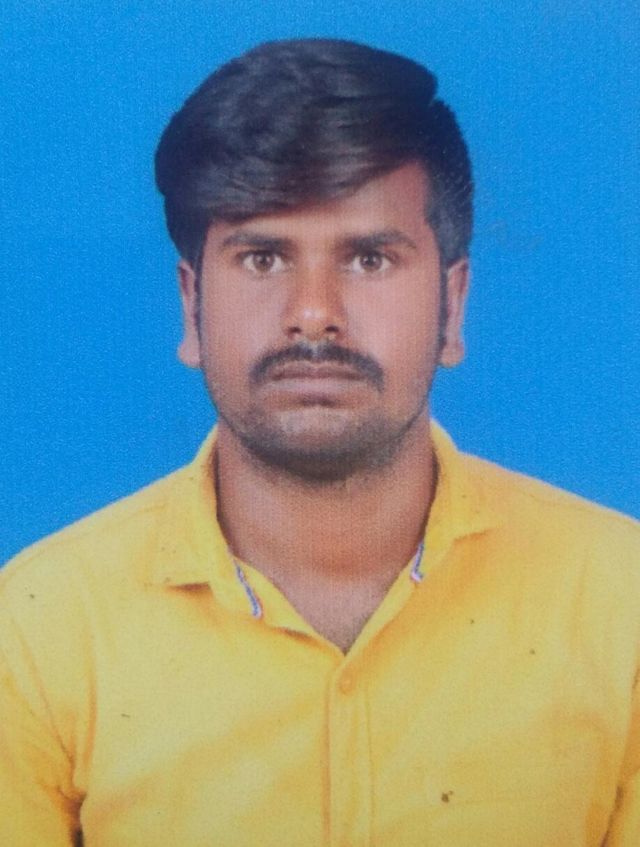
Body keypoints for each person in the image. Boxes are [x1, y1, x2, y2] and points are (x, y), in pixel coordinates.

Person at [1, 38, 638, 847]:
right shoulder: (38, 629)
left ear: (453, 306)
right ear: (192, 306)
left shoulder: (621, 603)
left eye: (369, 258)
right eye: (262, 257)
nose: (312, 314)